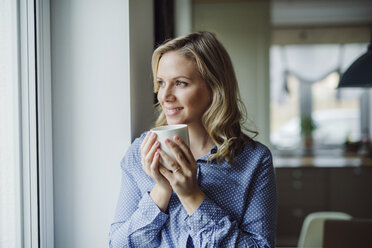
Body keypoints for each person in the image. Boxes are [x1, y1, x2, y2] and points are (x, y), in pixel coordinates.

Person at [109, 31, 277, 248]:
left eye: (180, 83)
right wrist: (161, 190)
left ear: (214, 88)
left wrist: (192, 196)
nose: (165, 96)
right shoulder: (140, 152)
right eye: (161, 82)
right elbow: (118, 245)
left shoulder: (254, 160)